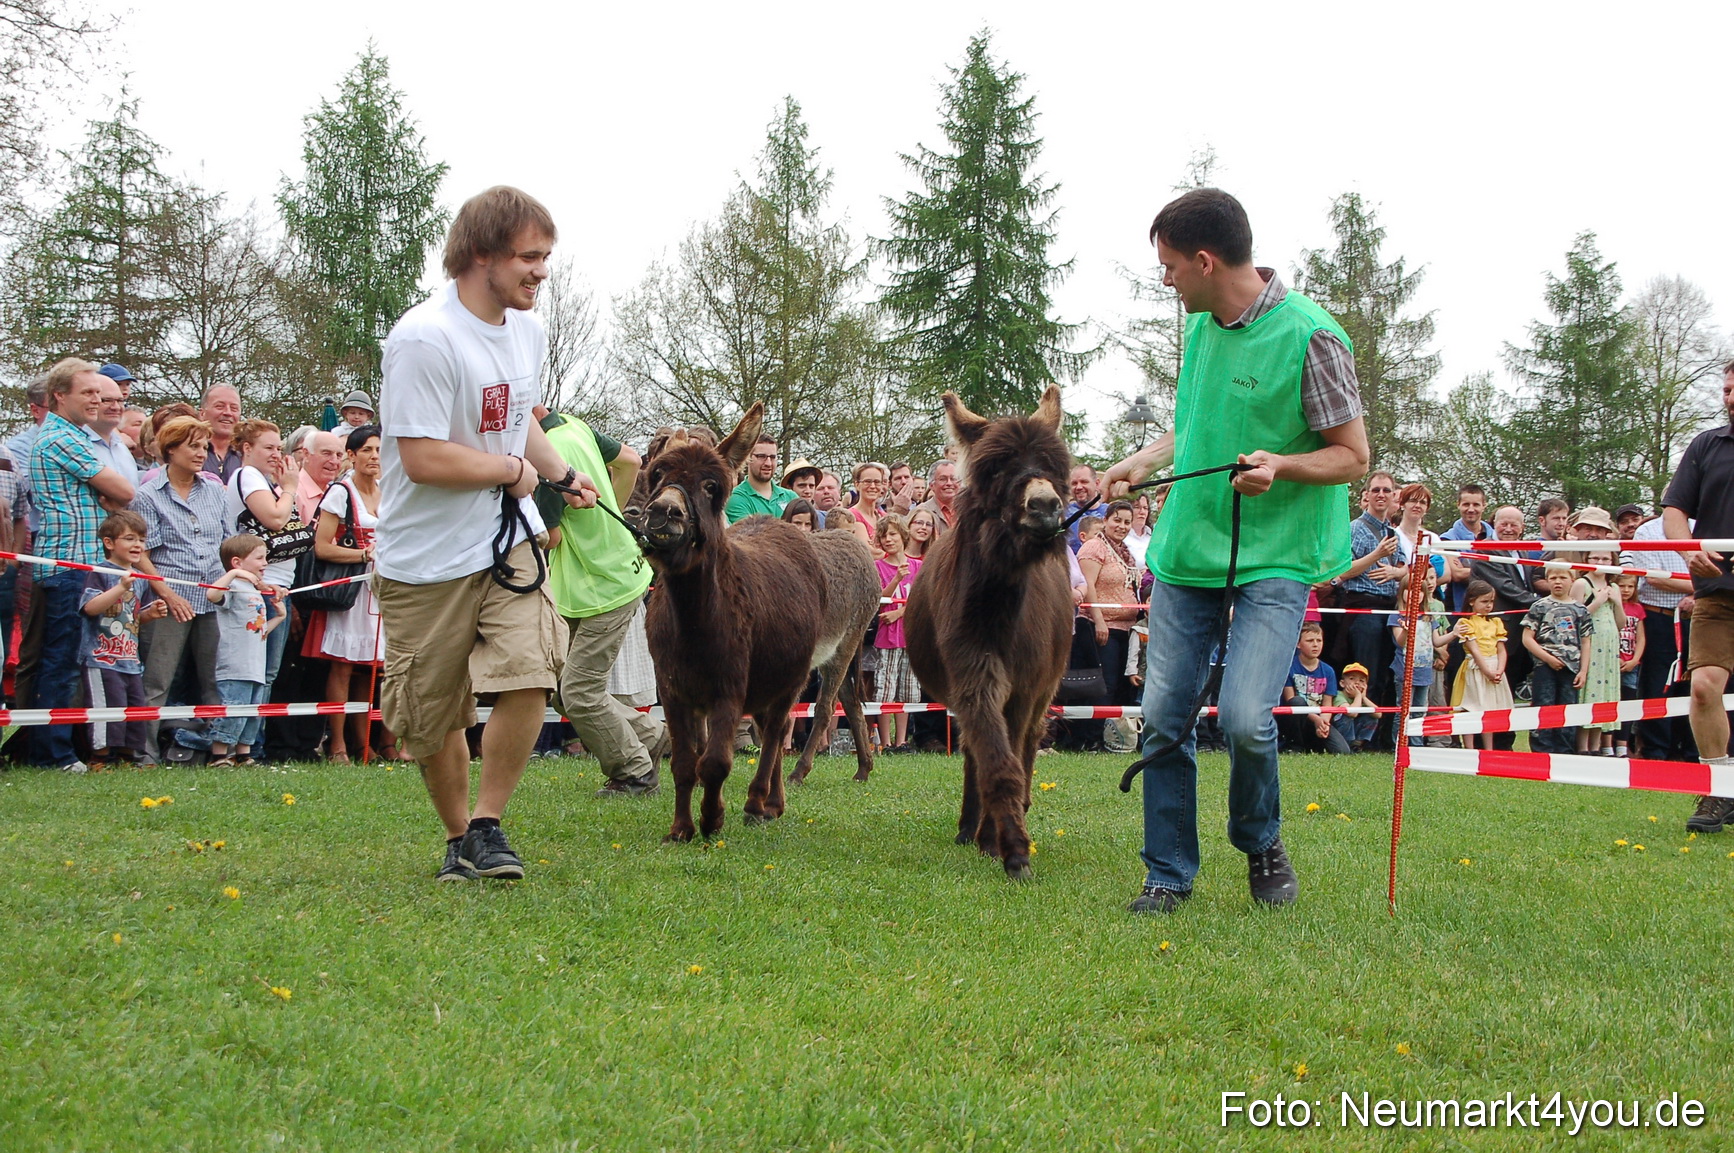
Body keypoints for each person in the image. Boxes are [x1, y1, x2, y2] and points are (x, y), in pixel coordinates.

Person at [1103, 188, 1369, 913]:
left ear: (1205, 259)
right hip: (1190, 551)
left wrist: (1281, 465)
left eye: (1168, 268)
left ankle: (1260, 840)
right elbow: (1194, 424)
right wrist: (1142, 461)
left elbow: (1352, 456)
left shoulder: (1312, 336)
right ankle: (1167, 871)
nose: (1165, 282)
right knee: (1162, 716)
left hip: (1276, 556)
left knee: (1249, 717)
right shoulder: (1203, 327)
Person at [375, 185, 598, 884]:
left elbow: (518, 414)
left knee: (533, 667)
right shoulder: (424, 338)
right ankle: (454, 837)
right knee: (433, 715)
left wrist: (557, 473)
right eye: (529, 257)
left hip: (507, 541)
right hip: (424, 559)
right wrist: (510, 471)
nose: (541, 271)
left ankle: (488, 822)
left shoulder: (526, 330)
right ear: (481, 255)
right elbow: (421, 456)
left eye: (545, 257)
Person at [536, 405, 665, 798]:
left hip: (601, 586)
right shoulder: (572, 425)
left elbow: (551, 537)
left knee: (578, 692)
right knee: (562, 689)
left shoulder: (546, 456)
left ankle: (634, 773)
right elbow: (630, 459)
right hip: (604, 578)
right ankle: (653, 737)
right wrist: (609, 508)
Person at [27, 359, 138, 770]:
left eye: (100, 393)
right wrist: (109, 497)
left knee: (75, 660)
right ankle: (51, 753)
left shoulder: (76, 436)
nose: (96, 400)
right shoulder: (61, 437)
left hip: (85, 564)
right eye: (87, 392)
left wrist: (110, 498)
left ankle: (58, 748)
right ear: (60, 396)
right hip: (70, 564)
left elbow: (119, 498)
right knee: (63, 662)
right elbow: (124, 491)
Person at [134, 416, 232, 764]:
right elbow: (140, 553)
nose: (201, 453)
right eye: (193, 446)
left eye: (204, 446)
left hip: (212, 598)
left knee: (214, 679)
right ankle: (143, 753)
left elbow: (226, 544)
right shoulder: (147, 496)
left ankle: (216, 750)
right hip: (169, 601)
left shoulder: (215, 492)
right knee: (157, 680)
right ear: (171, 449)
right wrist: (166, 594)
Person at [1662, 363, 1734, 832]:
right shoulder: (1707, 445)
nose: (1730, 397)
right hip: (1716, 597)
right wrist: (1689, 550)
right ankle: (1718, 789)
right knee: (1705, 687)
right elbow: (1673, 513)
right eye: (1727, 389)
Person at [306, 425, 389, 762]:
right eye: (366, 450)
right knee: (343, 666)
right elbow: (322, 547)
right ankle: (337, 744)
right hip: (351, 590)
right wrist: (363, 555)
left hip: (383, 590)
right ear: (351, 456)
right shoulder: (341, 492)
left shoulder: (390, 490)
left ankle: (369, 742)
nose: (374, 457)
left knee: (374, 668)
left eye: (379, 450)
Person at [227, 420, 312, 698]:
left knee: (267, 673)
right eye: (268, 447)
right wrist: (289, 487)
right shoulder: (248, 474)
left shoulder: (264, 480)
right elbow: (275, 519)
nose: (276, 453)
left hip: (278, 584)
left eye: (279, 447)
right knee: (259, 673)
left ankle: (250, 740)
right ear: (247, 448)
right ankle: (248, 741)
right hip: (261, 586)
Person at [79, 510, 167, 770]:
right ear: (109, 543)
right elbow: (90, 608)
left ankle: (128, 757)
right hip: (101, 657)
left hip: (130, 658)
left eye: (141, 539)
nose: (138, 545)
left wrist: (148, 615)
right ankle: (101, 758)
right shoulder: (100, 572)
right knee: (107, 710)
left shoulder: (138, 579)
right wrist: (120, 587)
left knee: (134, 709)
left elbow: (130, 617)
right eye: (129, 538)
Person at [202, 534, 287, 766]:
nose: (265, 563)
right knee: (234, 709)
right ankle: (219, 755)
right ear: (237, 562)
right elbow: (211, 594)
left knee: (252, 713)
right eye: (259, 558)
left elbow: (259, 631)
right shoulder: (233, 584)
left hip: (255, 665)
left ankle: (243, 753)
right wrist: (233, 574)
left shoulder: (253, 589)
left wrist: (280, 616)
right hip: (235, 665)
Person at [1077, 499, 1141, 713]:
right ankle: (1093, 735)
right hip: (1104, 628)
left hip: (1127, 628)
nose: (1122, 526)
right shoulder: (1095, 546)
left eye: (1127, 522)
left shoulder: (1125, 551)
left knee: (1123, 685)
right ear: (1105, 520)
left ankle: (1114, 736)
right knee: (1105, 683)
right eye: (1117, 520)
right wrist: (1100, 621)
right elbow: (1088, 585)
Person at [1522, 568, 1593, 755]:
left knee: (1567, 709)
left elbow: (1586, 641)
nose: (1558, 582)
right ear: (1547, 580)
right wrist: (1547, 658)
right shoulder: (1539, 606)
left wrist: (1583, 670)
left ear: (1572, 580)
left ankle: (1564, 751)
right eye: (1553, 578)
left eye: (1563, 577)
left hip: (1571, 668)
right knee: (1543, 707)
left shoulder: (1581, 609)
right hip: (1544, 666)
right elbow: (1527, 638)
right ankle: (1542, 750)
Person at [871, 515, 922, 753]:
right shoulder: (878, 567)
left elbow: (923, 600)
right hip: (888, 638)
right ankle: (885, 741)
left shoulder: (918, 566)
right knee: (886, 690)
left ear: (903, 535)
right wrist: (897, 578)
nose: (888, 539)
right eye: (883, 535)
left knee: (908, 691)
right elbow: (878, 599)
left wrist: (901, 611)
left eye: (892, 534)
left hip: (911, 637)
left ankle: (901, 741)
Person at [1390, 564, 1452, 746]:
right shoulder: (1397, 616)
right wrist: (1406, 631)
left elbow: (1437, 642)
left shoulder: (1428, 617)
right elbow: (1399, 642)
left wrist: (1455, 633)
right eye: (1409, 590)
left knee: (1420, 710)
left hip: (1424, 671)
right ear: (1402, 592)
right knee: (1403, 710)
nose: (1414, 594)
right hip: (1404, 671)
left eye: (1419, 591)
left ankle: (1415, 744)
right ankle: (1399, 744)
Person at [1574, 549, 1625, 754]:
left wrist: (1617, 603)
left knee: (1604, 693)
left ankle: (1597, 746)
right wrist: (1598, 601)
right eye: (1595, 558)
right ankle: (1582, 746)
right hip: (1591, 643)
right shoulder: (1581, 584)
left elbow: (1620, 622)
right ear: (1586, 559)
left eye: (1605, 559)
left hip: (1610, 645)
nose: (1600, 562)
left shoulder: (1613, 586)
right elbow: (1576, 617)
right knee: (1589, 693)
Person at [1451, 580, 1514, 748]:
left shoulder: (1495, 623)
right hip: (1476, 669)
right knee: (1471, 708)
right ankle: (1469, 747)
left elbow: (1501, 649)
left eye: (1491, 601)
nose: (1489, 606)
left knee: (1489, 709)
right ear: (1472, 601)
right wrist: (1487, 671)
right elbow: (1474, 650)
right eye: (1484, 601)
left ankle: (1488, 748)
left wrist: (1499, 669)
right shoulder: (1467, 623)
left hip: (1494, 668)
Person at [1282, 621, 1347, 753]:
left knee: (1342, 751)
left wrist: (1323, 723)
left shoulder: (1328, 671)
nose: (1315, 645)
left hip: (1318, 719)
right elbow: (1290, 700)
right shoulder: (1289, 667)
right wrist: (1316, 719)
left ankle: (1315, 744)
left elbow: (1327, 704)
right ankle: (1294, 746)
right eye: (1310, 640)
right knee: (1297, 701)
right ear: (1298, 644)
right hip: (1297, 719)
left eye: (1319, 640)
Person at [1440, 484, 1490, 611]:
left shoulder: (1494, 536)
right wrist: (1492, 568)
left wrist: (1469, 568)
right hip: (1460, 607)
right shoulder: (1447, 539)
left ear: (1484, 505)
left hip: (1492, 606)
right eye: (1466, 504)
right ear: (1458, 505)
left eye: (1476, 505)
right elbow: (1457, 574)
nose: (1471, 509)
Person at [724, 434, 796, 523]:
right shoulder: (736, 498)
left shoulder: (791, 497)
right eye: (761, 456)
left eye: (773, 457)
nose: (768, 463)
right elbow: (748, 535)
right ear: (748, 458)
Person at [1614, 572, 1646, 758]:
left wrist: (1634, 660)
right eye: (1622, 586)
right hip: (1613, 662)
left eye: (1630, 586)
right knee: (1611, 703)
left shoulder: (1637, 609)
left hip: (1631, 665)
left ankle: (1623, 744)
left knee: (1627, 703)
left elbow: (1641, 638)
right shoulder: (1611, 606)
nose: (1626, 590)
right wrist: (1616, 657)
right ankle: (1607, 743)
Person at [296, 430, 347, 524]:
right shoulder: (292, 495)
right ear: (306, 454)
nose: (334, 461)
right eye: (327, 453)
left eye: (339, 455)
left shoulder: (335, 493)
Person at [198, 384, 244, 481]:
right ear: (202, 414)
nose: (228, 413)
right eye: (219, 406)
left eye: (234, 408)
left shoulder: (247, 454)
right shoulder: (189, 451)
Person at [844, 462, 889, 553]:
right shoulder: (851, 516)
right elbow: (869, 553)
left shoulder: (885, 516)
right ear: (857, 484)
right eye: (867, 481)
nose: (872, 486)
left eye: (877, 482)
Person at [1332, 663, 1377, 751]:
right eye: (1352, 679)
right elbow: (1352, 713)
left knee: (1372, 716)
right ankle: (1347, 744)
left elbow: (1378, 714)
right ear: (1342, 683)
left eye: (1362, 681)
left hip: (1353, 730)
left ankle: (1357, 744)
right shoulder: (1338, 695)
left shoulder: (1360, 698)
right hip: (1338, 732)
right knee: (1346, 715)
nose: (1357, 683)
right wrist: (1358, 696)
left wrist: (1363, 697)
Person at [914, 459, 959, 539]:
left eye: (953, 478)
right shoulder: (921, 511)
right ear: (931, 485)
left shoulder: (970, 510)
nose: (949, 483)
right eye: (943, 479)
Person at [1065, 464, 1104, 551]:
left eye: (1084, 482)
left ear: (1097, 484)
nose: (1079, 487)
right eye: (1074, 483)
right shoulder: (1062, 513)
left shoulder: (1111, 513)